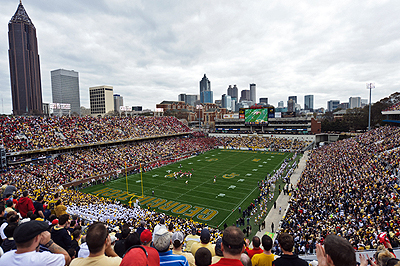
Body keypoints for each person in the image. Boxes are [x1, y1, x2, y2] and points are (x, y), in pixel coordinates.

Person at [0, 220, 70, 266]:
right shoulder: (43, 259)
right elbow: (67, 259)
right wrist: (49, 243)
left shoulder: (5, 257)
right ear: (36, 238)